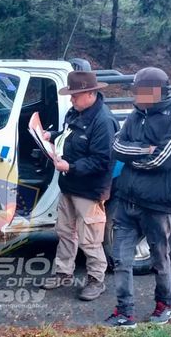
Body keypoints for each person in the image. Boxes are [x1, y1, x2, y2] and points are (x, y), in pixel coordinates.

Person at [105, 67, 171, 327]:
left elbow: (165, 159)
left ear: (158, 92)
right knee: (120, 259)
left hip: (157, 205)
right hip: (127, 200)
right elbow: (117, 146)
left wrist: (137, 160)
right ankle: (125, 313)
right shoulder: (136, 114)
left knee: (159, 258)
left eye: (141, 91)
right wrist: (145, 150)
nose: (136, 96)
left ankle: (164, 306)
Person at [41, 71, 119, 301]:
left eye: (75, 95)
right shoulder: (76, 112)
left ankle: (97, 280)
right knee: (65, 232)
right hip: (70, 185)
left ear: (91, 94)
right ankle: (63, 272)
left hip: (89, 188)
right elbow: (68, 136)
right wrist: (52, 136)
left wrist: (71, 167)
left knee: (90, 238)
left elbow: (102, 160)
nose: (71, 99)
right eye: (71, 95)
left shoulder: (103, 121)